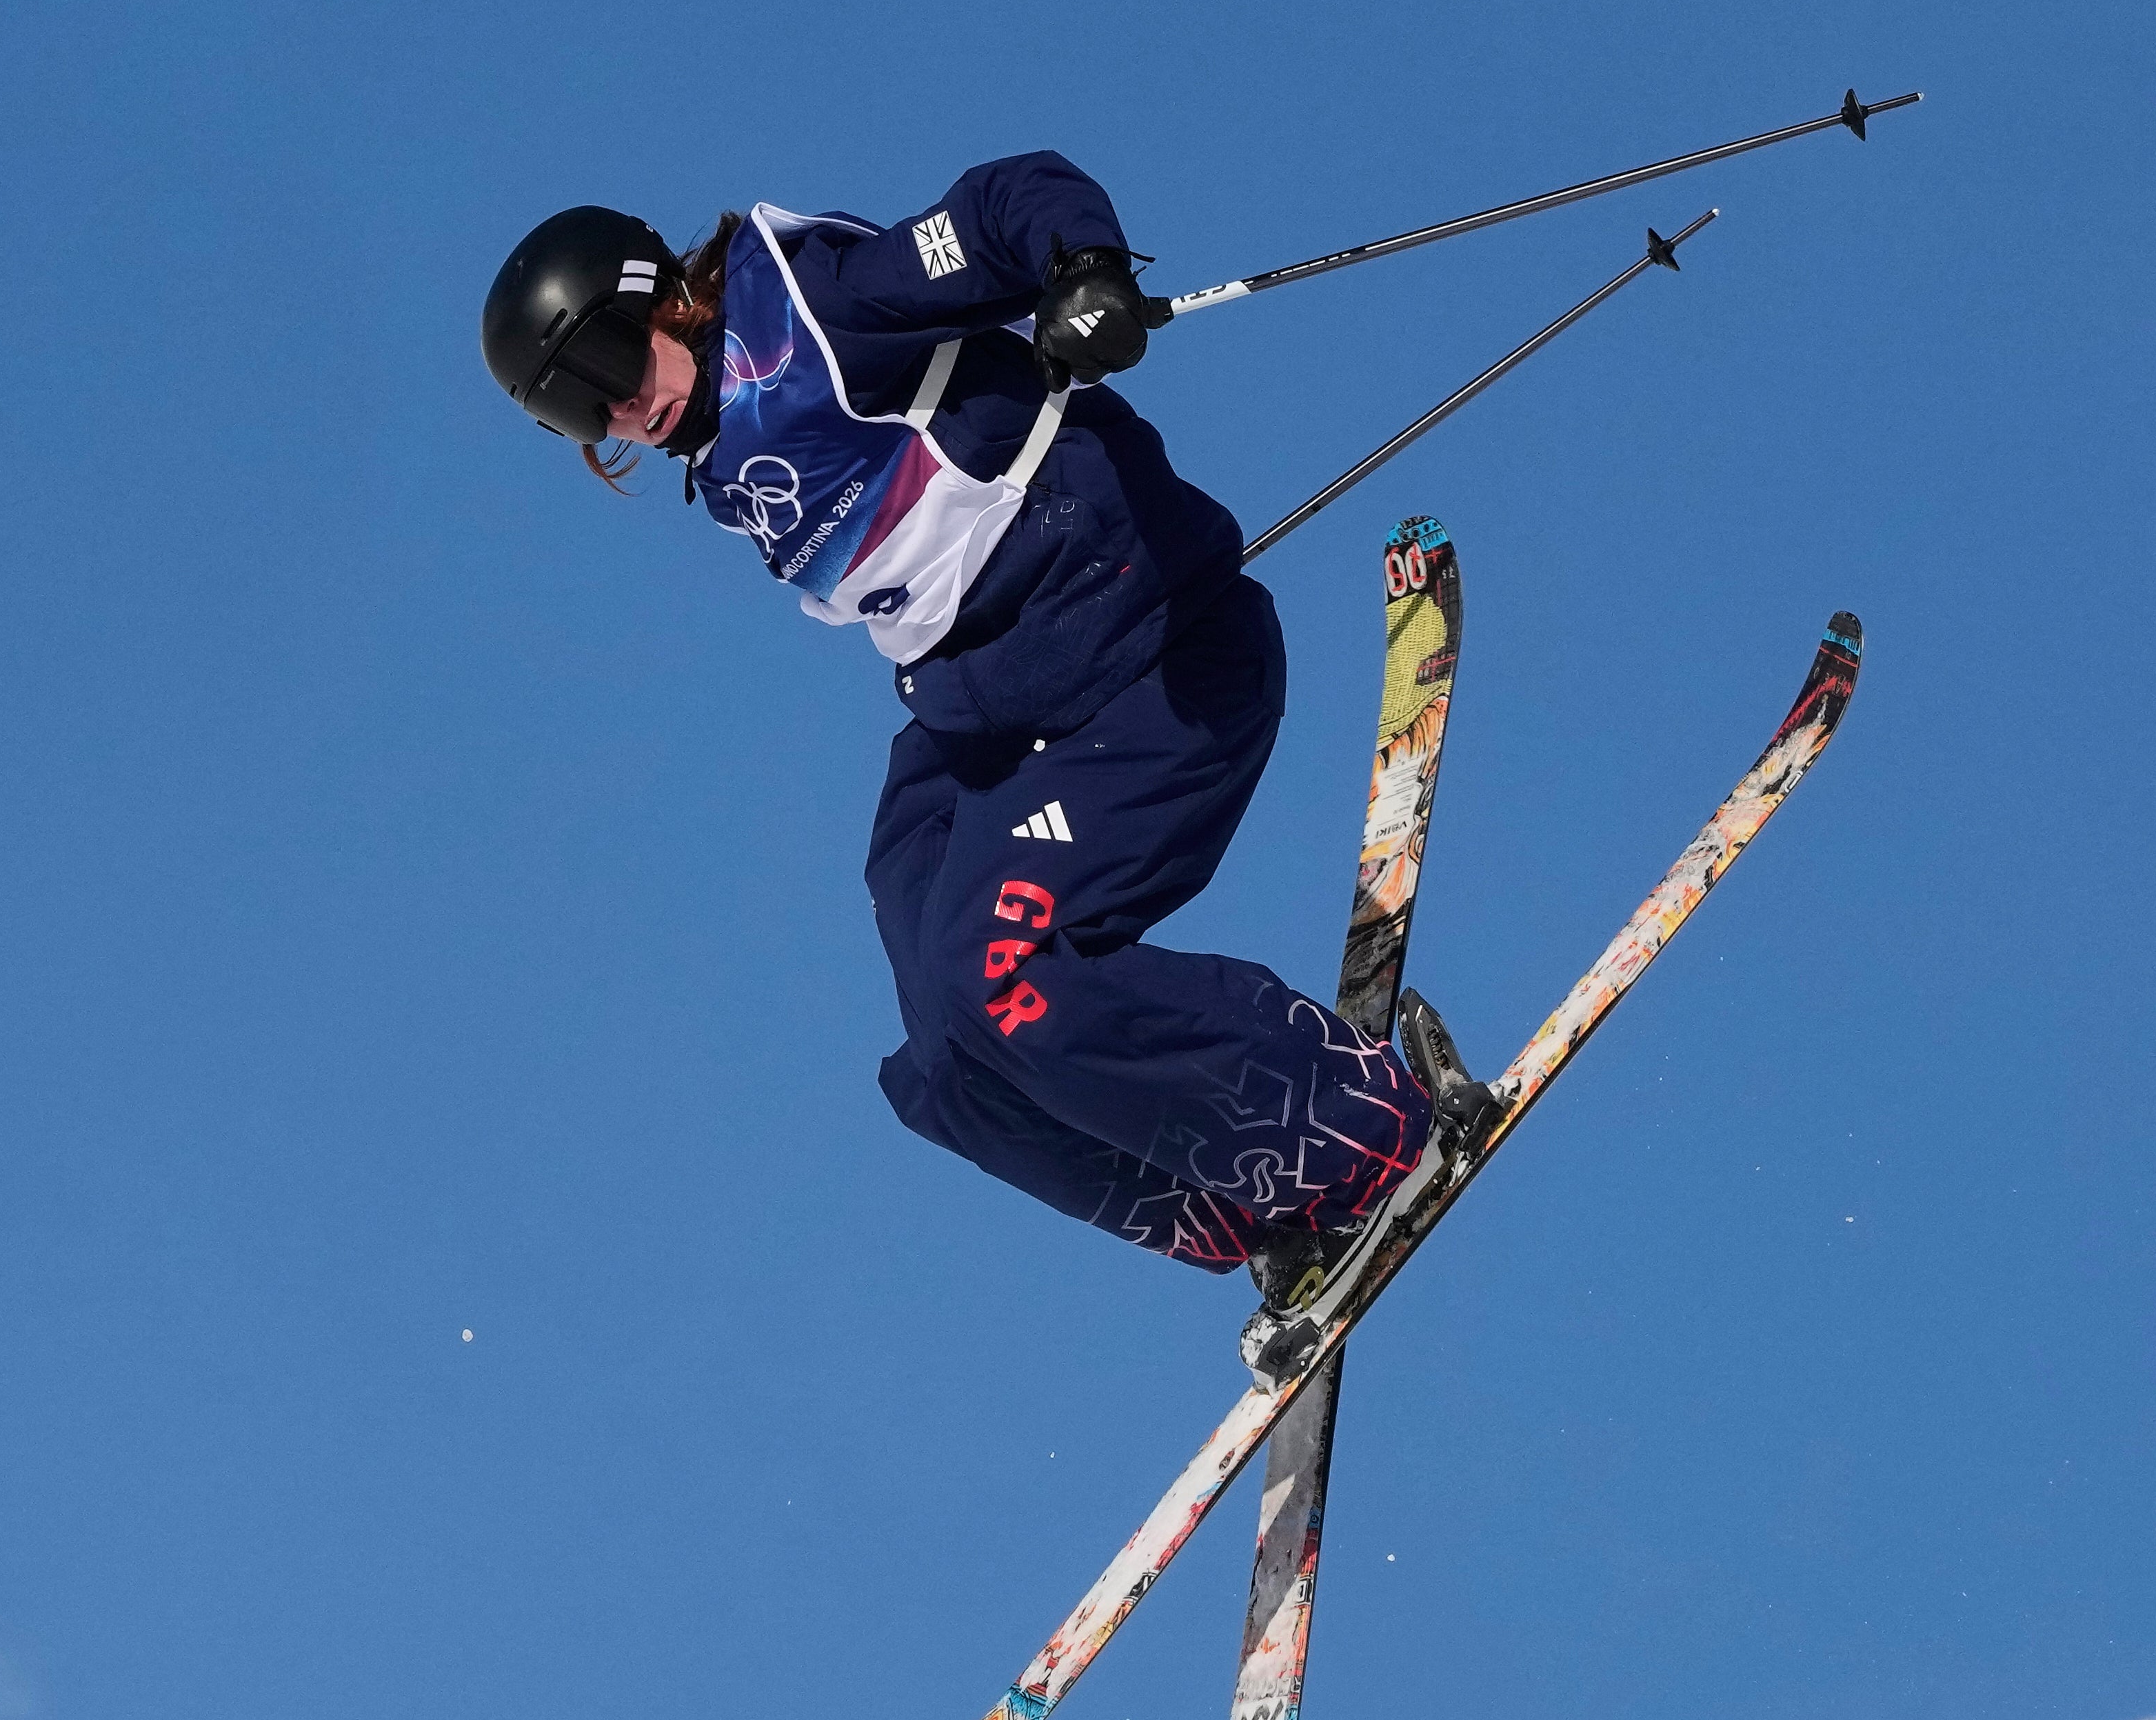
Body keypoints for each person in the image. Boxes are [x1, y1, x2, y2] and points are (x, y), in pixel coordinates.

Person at [478, 157, 1493, 1317]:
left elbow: (1006, 205)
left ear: (661, 296)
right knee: (942, 1065)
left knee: (1000, 970)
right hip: (990, 721)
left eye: (605, 367)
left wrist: (1084, 273)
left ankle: (1362, 1136)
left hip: (1150, 663)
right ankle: (1242, 1204)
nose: (618, 414)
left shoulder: (819, 314)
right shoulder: (717, 450)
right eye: (576, 412)